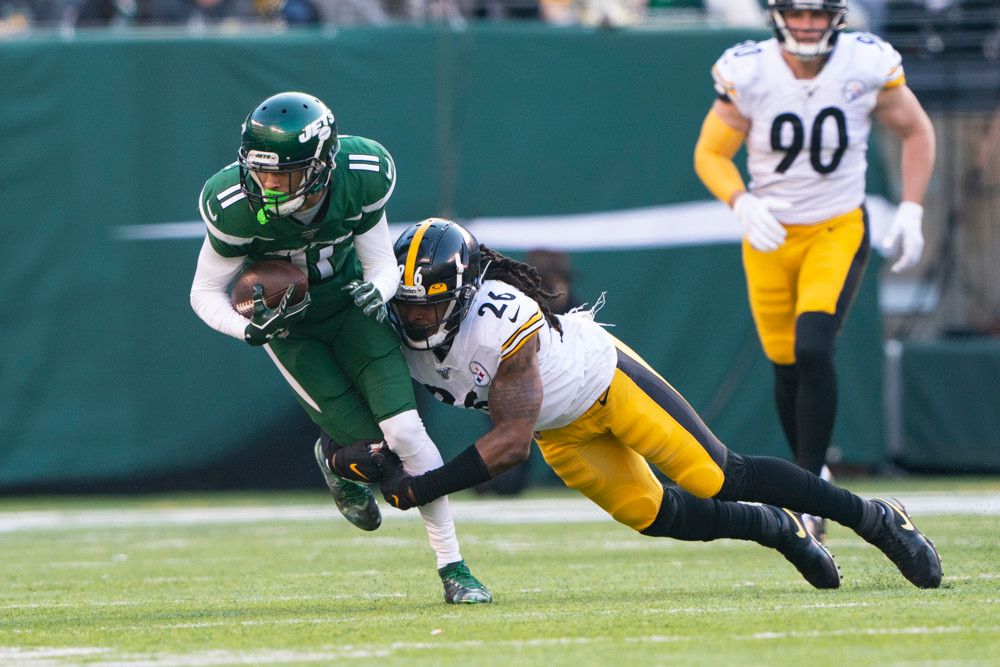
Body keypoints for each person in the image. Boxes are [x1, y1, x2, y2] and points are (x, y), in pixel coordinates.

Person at [330, 219, 942, 591]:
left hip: (604, 381)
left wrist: (424, 486)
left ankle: (876, 518)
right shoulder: (391, 333)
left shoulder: (500, 319)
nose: (416, 319)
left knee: (719, 476)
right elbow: (352, 407)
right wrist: (352, 457)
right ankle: (773, 527)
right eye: (407, 305)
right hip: (560, 429)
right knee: (652, 514)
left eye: (430, 306)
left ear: (464, 295)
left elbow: (510, 444)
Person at [189, 92, 490, 605]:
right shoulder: (234, 206)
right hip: (292, 331)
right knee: (377, 456)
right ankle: (336, 461)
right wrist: (248, 330)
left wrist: (380, 289)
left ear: (321, 166)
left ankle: (454, 567)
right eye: (258, 171)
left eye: (282, 175)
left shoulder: (359, 175)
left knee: (406, 432)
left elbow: (381, 263)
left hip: (352, 307)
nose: (265, 185)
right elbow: (203, 292)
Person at [692, 0, 935, 541]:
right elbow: (710, 153)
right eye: (797, 14)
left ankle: (807, 491)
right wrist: (740, 201)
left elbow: (917, 131)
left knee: (813, 346)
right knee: (785, 365)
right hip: (770, 234)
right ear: (778, 15)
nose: (806, 25)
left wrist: (913, 207)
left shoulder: (865, 62)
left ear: (837, 16)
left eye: (817, 14)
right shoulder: (751, 69)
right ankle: (815, 472)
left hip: (835, 227)